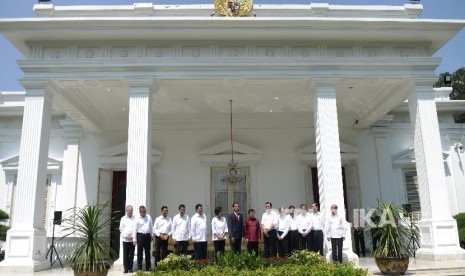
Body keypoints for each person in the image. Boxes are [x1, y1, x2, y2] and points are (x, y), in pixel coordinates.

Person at [133, 205, 153, 271]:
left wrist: (151, 235)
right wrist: (134, 240)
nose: (144, 213)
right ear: (140, 212)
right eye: (142, 212)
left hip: (147, 236)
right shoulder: (137, 218)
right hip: (140, 236)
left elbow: (151, 227)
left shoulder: (149, 217)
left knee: (148, 252)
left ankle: (148, 267)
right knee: (140, 252)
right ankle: (139, 268)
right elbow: (135, 229)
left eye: (145, 211)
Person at [119, 205, 135, 273]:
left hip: (132, 239)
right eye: (129, 210)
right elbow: (121, 228)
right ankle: (126, 269)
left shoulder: (135, 218)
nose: (130, 211)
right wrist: (126, 236)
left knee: (131, 254)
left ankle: (130, 268)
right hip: (125, 239)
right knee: (125, 254)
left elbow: (135, 228)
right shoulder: (123, 218)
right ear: (126, 211)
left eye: (131, 210)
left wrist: (133, 237)